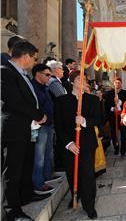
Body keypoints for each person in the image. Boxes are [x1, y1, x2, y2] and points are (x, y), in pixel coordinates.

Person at [1, 41, 49, 221]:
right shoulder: (5, 71)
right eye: (34, 58)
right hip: (13, 129)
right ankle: (12, 210)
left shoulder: (22, 74)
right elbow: (14, 102)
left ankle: (27, 194)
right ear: (26, 56)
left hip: (26, 128)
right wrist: (38, 115)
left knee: (26, 163)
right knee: (12, 171)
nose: (34, 62)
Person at [54, 71, 100, 219]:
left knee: (87, 175)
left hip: (87, 144)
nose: (83, 81)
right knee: (72, 174)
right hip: (69, 145)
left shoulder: (92, 100)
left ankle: (89, 205)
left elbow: (99, 119)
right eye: (79, 79)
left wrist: (85, 121)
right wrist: (68, 143)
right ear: (72, 81)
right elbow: (58, 125)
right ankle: (76, 195)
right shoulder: (61, 100)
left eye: (85, 79)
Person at [31, 64, 62, 195]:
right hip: (40, 125)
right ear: (38, 74)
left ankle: (48, 174)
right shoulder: (33, 88)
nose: (50, 78)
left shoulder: (44, 87)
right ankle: (38, 183)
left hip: (49, 124)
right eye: (47, 75)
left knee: (48, 152)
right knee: (39, 156)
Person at [105, 78, 126, 155]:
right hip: (113, 116)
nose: (117, 84)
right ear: (113, 84)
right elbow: (107, 105)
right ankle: (116, 147)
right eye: (116, 83)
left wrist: (119, 102)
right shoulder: (109, 93)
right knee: (113, 133)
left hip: (122, 116)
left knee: (123, 133)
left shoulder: (125, 93)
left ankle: (123, 150)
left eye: (119, 83)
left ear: (121, 84)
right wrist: (112, 108)